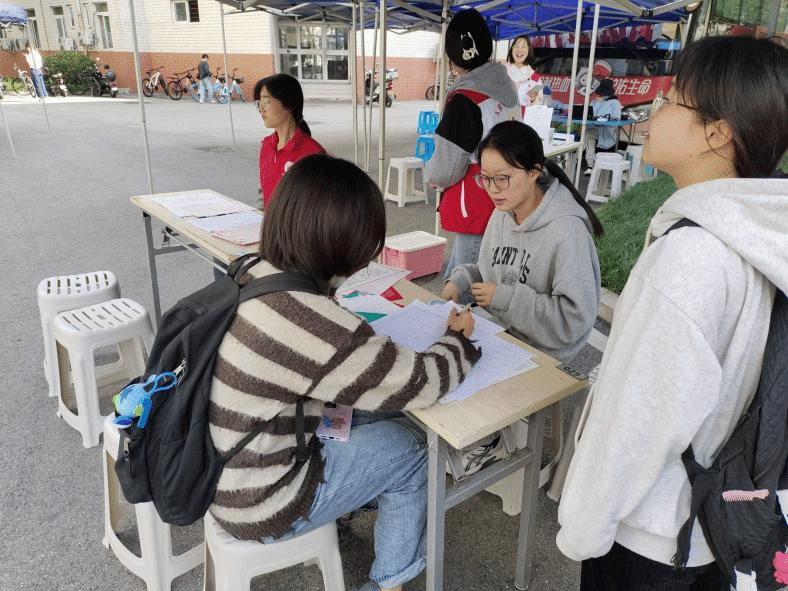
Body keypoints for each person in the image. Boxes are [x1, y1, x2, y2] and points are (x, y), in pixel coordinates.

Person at [557, 35, 788, 590]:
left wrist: (582, 529)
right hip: (712, 524)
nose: (653, 111)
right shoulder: (758, 231)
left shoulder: (692, 256)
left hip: (649, 538)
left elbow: (638, 418)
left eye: (671, 99)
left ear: (717, 132)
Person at [208, 153, 482, 591]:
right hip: (262, 502)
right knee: (414, 449)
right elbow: (422, 381)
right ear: (341, 245)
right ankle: (388, 583)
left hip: (222, 470)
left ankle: (353, 502)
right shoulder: (311, 320)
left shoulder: (252, 272)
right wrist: (459, 340)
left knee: (373, 415)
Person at [441, 120, 603, 364]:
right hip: (502, 337)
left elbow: (572, 323)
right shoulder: (504, 211)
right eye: (485, 178)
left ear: (534, 172)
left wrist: (506, 298)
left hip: (546, 357)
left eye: (502, 178)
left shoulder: (567, 231)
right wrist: (459, 281)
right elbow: (494, 271)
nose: (492, 190)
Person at [425, 8, 520, 279]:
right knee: (463, 273)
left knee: (466, 283)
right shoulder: (505, 85)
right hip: (505, 190)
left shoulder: (465, 97)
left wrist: (432, 175)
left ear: (453, 57)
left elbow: (444, 169)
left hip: (477, 199)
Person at [254, 74, 325, 210]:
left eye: (266, 101)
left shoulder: (313, 154)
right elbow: (262, 194)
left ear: (289, 105)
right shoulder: (266, 146)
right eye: (259, 102)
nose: (261, 108)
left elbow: (318, 208)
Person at [583, 78, 622, 174]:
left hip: (606, 130)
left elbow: (616, 118)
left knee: (592, 137)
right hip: (594, 127)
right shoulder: (594, 102)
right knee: (589, 136)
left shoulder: (615, 103)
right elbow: (589, 113)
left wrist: (602, 118)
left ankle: (594, 165)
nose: (600, 95)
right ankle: (590, 164)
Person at [505, 35, 543, 113]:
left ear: (529, 51)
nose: (519, 50)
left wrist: (533, 99)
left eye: (523, 47)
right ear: (512, 49)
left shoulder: (534, 79)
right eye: (516, 47)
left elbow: (538, 108)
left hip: (522, 119)